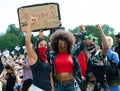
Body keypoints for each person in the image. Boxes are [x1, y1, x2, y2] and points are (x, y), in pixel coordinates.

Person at [49, 25, 87, 91]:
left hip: (71, 85)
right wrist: (41, 37)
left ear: (69, 43)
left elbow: (83, 44)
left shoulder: (72, 53)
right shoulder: (52, 55)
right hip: (58, 86)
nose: (63, 45)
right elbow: (40, 53)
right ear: (56, 44)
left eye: (65, 43)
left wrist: (83, 32)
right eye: (60, 43)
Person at [25, 17, 54, 91]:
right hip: (37, 88)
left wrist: (52, 89)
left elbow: (50, 78)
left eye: (45, 45)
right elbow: (28, 42)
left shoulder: (48, 60)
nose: (43, 47)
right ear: (37, 47)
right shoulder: (34, 58)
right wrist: (30, 25)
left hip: (48, 89)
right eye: (41, 45)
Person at [84, 24, 109, 91]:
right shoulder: (90, 58)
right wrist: (83, 31)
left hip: (101, 86)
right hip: (90, 86)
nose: (88, 46)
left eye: (91, 44)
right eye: (87, 45)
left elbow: (106, 47)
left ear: (95, 44)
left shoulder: (99, 55)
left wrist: (100, 30)